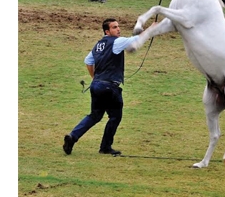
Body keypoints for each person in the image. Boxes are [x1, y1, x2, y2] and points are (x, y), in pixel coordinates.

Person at [63, 18, 156, 156]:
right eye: (114, 27)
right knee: (115, 116)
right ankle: (105, 147)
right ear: (107, 31)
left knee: (95, 115)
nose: (118, 29)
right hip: (110, 88)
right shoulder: (117, 42)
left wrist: (95, 78)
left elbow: (88, 61)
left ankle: (73, 136)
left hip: (96, 86)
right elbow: (135, 39)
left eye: (118, 26)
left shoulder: (98, 45)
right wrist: (152, 29)